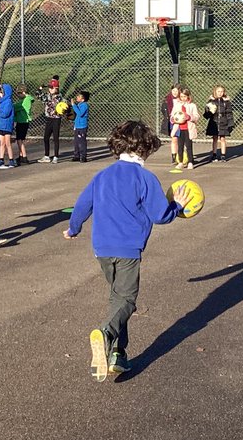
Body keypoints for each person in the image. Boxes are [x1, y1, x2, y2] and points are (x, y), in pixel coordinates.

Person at [64, 120, 190, 381]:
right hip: (128, 249)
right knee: (127, 301)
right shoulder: (145, 178)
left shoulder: (102, 175)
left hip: (101, 248)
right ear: (146, 148)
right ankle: (106, 333)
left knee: (117, 298)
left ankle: (118, 354)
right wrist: (177, 206)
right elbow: (160, 216)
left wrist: (73, 229)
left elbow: (82, 204)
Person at [36, 76, 66, 163]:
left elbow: (65, 105)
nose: (50, 89)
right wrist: (40, 88)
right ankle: (46, 156)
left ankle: (56, 156)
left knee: (55, 138)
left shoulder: (60, 97)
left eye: (52, 88)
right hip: (48, 119)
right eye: (49, 88)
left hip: (56, 119)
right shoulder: (47, 96)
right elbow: (38, 94)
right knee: (46, 138)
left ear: (56, 88)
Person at [204, 85, 234, 162]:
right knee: (214, 138)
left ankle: (223, 155)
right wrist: (210, 112)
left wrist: (230, 123)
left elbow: (229, 113)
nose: (220, 93)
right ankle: (214, 154)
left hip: (223, 122)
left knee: (223, 138)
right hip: (214, 122)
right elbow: (206, 115)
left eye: (222, 91)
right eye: (218, 91)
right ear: (215, 92)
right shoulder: (211, 101)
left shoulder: (226, 102)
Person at [170, 89, 197, 171]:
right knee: (180, 146)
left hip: (188, 129)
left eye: (184, 96)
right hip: (179, 129)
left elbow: (196, 116)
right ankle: (180, 162)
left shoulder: (192, 105)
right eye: (181, 96)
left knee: (188, 146)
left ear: (188, 96)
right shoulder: (177, 105)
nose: (183, 98)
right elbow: (172, 114)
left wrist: (189, 117)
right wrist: (173, 119)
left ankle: (190, 162)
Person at [0, 83, 17, 168]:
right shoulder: (2, 102)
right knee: (2, 143)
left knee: (8, 143)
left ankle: (11, 160)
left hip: (6, 126)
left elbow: (5, 114)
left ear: (5, 93)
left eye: (1, 92)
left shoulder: (8, 102)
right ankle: (1, 159)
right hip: (1, 126)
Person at [13, 84, 34, 164]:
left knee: (19, 140)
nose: (18, 95)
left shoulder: (25, 101)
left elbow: (17, 106)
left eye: (19, 93)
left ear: (24, 92)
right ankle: (21, 156)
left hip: (22, 122)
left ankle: (24, 157)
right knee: (20, 139)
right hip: (22, 121)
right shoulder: (26, 99)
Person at [163, 85, 181, 165]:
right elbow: (163, 110)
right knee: (174, 139)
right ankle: (174, 157)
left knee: (182, 140)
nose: (175, 92)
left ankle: (182, 156)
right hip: (173, 122)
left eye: (177, 91)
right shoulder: (167, 100)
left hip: (182, 122)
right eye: (173, 90)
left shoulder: (182, 100)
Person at [71, 91, 90, 162]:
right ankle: (76, 155)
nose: (77, 97)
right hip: (77, 126)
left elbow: (80, 114)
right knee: (76, 141)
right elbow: (76, 115)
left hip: (82, 126)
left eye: (79, 96)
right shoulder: (79, 104)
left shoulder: (84, 105)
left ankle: (83, 156)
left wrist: (73, 105)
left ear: (83, 99)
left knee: (82, 142)